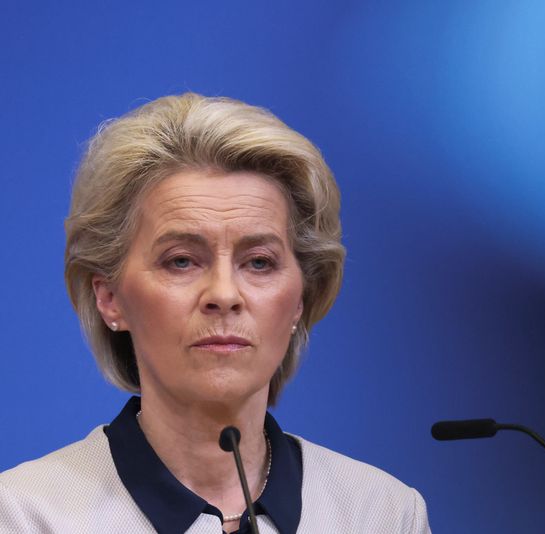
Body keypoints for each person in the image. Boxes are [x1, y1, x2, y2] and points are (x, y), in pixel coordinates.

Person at [0, 93, 431, 533]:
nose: (224, 295)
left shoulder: (382, 513)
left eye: (259, 262)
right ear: (110, 298)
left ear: (300, 298)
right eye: (181, 261)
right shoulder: (24, 515)